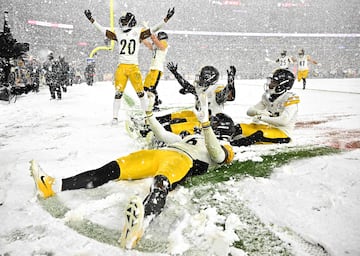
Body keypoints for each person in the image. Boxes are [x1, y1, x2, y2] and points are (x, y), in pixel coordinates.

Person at [29, 92, 234, 250]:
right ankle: (53, 185)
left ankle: (139, 226)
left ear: (221, 129)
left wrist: (207, 125)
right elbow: (162, 134)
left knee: (160, 185)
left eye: (213, 124)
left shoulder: (224, 146)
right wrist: (149, 113)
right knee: (109, 169)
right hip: (160, 153)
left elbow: (217, 156)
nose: (206, 124)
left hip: (183, 161)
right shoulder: (192, 137)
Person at [84, 8, 175, 124]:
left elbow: (154, 29)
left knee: (141, 93)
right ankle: (115, 117)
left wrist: (166, 19)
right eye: (123, 21)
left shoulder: (138, 32)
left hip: (133, 67)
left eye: (125, 21)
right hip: (122, 66)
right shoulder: (118, 32)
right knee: (118, 93)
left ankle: (147, 117)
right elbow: (103, 30)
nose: (122, 23)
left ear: (131, 22)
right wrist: (92, 20)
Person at [229, 68, 299, 146]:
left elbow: (283, 121)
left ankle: (234, 146)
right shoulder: (268, 97)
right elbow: (249, 111)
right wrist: (259, 112)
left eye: (274, 82)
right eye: (271, 81)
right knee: (239, 127)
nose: (270, 84)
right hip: (269, 128)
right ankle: (223, 140)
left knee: (258, 135)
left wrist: (262, 118)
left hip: (283, 133)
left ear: (283, 85)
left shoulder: (289, 98)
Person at [142, 31, 169, 111]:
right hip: (152, 68)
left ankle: (156, 104)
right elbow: (149, 45)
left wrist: (152, 37)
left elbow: (161, 46)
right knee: (146, 87)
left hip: (157, 68)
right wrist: (142, 38)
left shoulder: (164, 43)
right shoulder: (156, 45)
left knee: (152, 88)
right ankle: (157, 99)